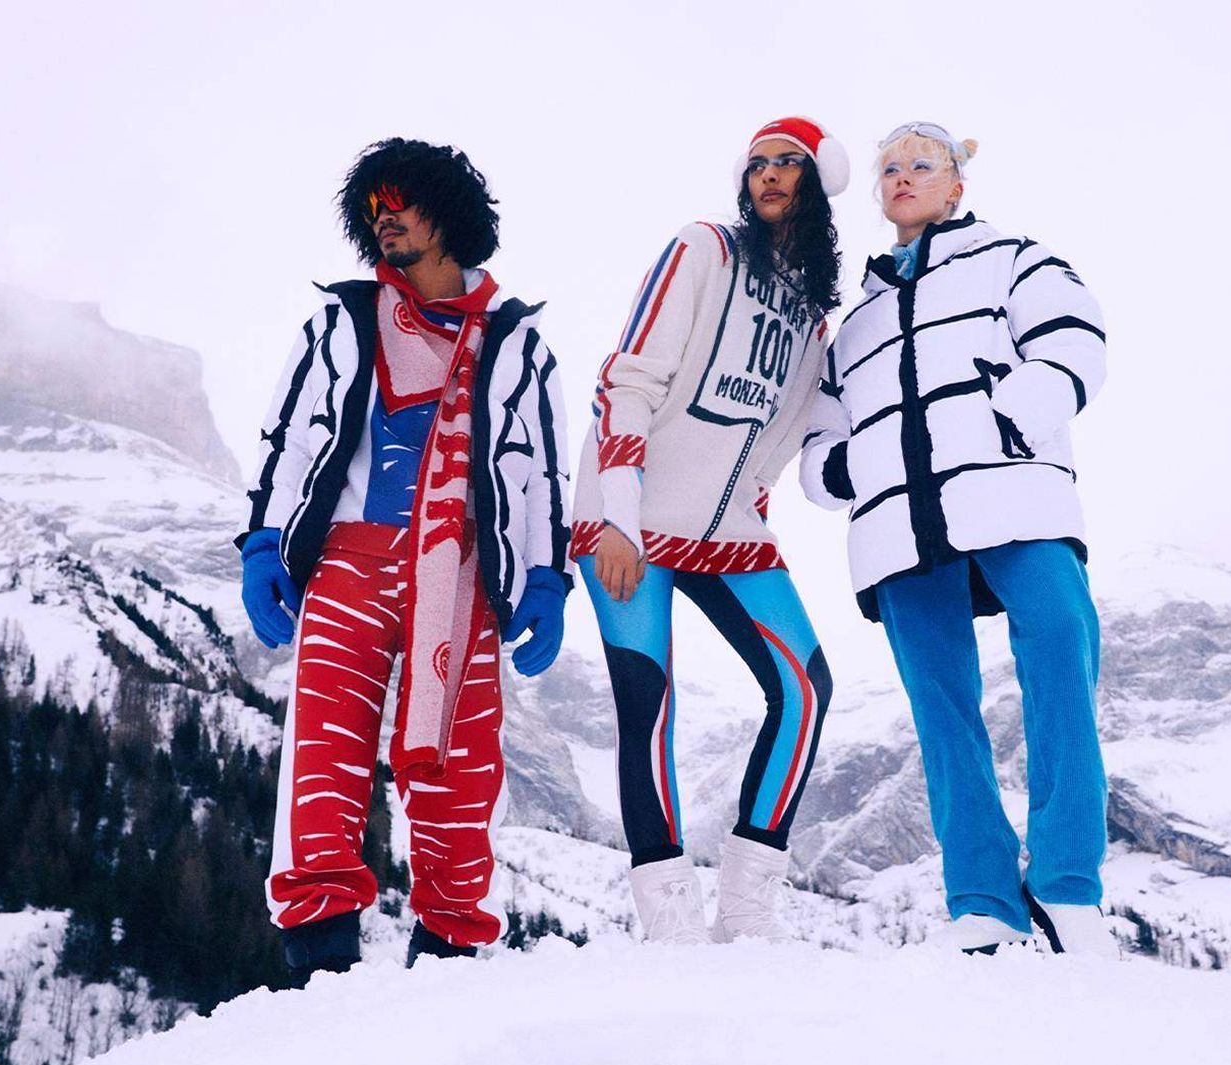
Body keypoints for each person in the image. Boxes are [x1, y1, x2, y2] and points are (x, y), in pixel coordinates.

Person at [237, 138, 571, 980]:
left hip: (461, 578)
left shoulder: (518, 345)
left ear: (448, 211)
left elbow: (541, 471)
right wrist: (266, 542)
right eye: (372, 206)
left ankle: (449, 960)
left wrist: (543, 575)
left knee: (465, 769)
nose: (384, 217)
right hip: (348, 560)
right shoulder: (342, 321)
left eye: (401, 200)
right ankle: (320, 965)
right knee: (324, 752)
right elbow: (289, 438)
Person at [799, 121, 1117, 957]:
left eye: (922, 165)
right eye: (890, 168)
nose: (902, 177)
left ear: (955, 187)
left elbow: (1074, 336)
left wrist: (1023, 408)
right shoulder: (857, 321)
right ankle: (982, 901)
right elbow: (823, 426)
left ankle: (1066, 888)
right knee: (942, 711)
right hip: (899, 531)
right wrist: (840, 472)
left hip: (1015, 498)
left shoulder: (1014, 258)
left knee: (1059, 651)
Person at [571, 117, 847, 944]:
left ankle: (749, 905)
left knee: (805, 689)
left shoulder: (812, 316)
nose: (768, 175)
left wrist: (761, 502)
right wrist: (618, 516)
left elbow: (787, 433)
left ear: (817, 184)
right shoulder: (703, 249)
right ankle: (671, 922)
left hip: (726, 529)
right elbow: (630, 379)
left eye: (787, 164)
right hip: (628, 518)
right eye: (757, 163)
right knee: (647, 705)